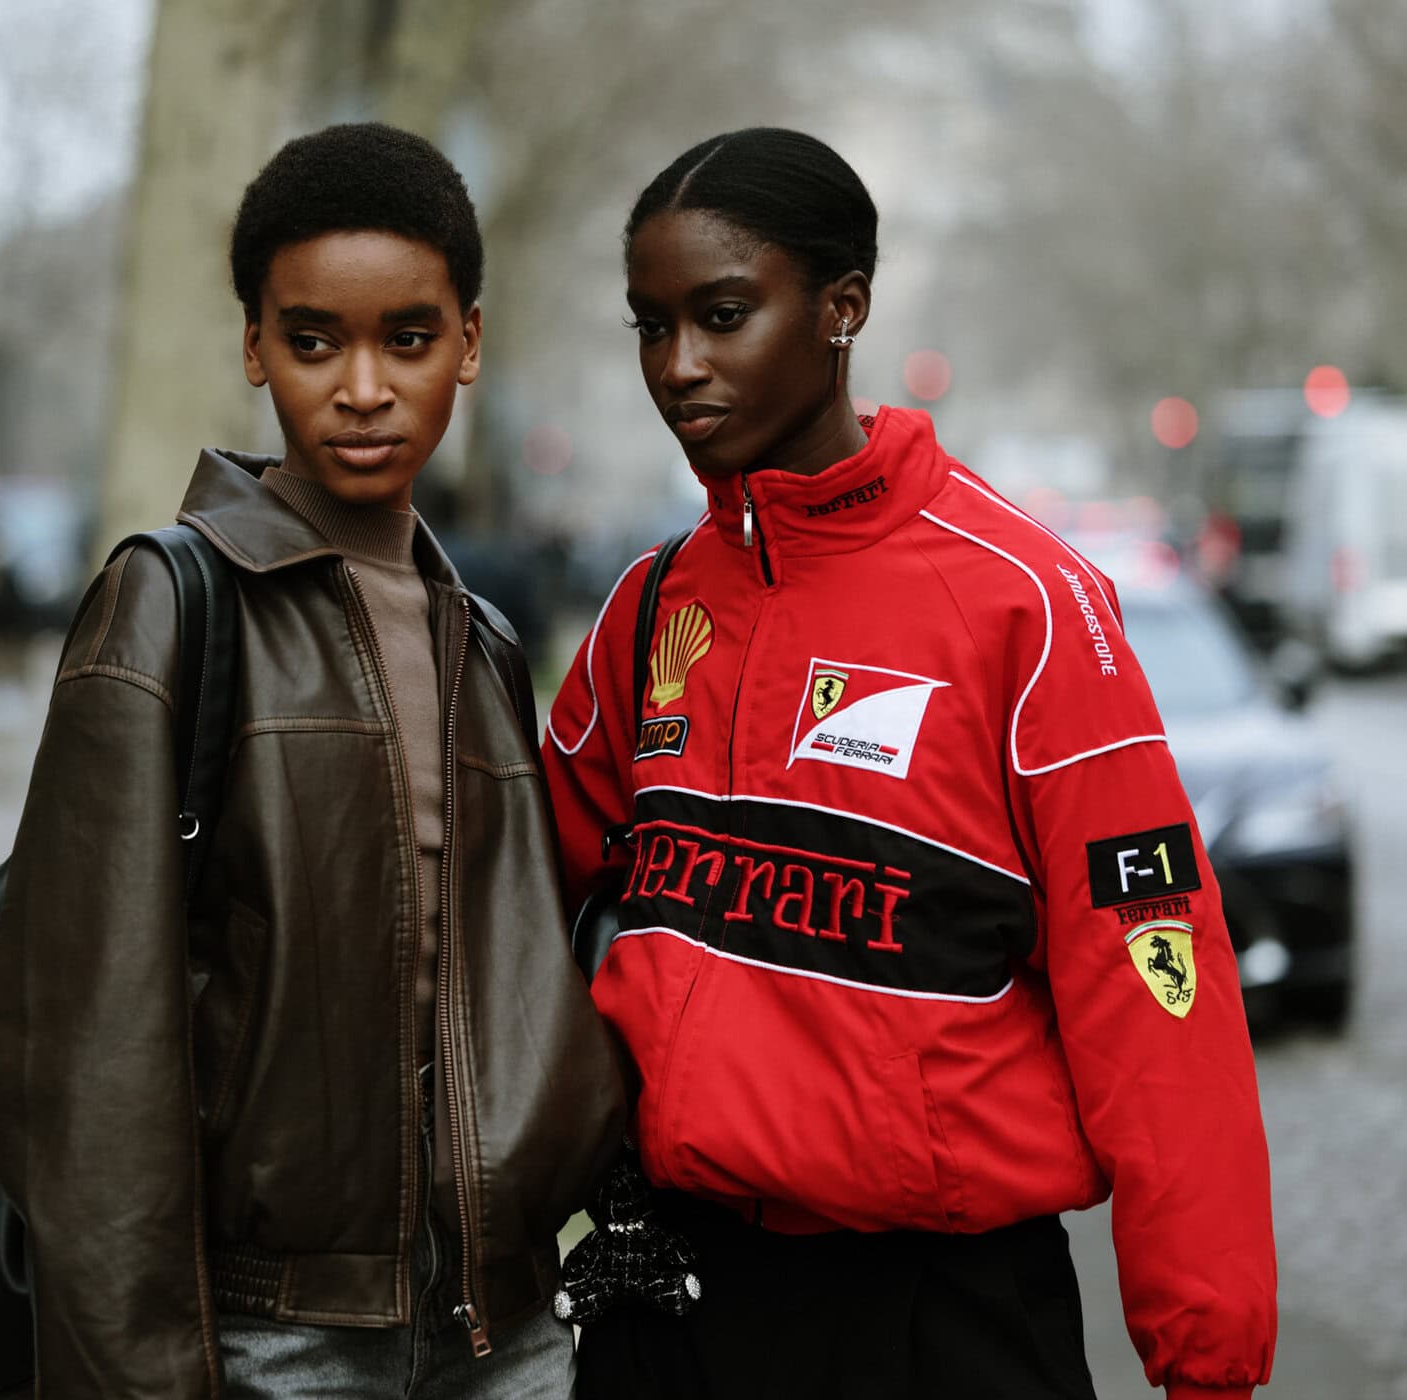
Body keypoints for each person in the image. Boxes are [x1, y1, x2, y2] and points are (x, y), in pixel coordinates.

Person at [543, 128, 1275, 1400]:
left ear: (844, 308)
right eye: (650, 325)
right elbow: (510, 909)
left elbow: (1152, 985)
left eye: (722, 315)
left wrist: (1206, 1356)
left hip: (942, 1317)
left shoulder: (1031, 605)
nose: (680, 366)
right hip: (671, 1303)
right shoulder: (648, 608)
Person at [0, 123, 624, 1399]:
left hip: (507, 1333)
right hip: (276, 1342)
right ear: (255, 347)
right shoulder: (168, 606)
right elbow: (89, 1069)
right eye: (314, 340)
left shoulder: (481, 642)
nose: (364, 387)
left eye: (409, 337)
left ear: (472, 343)